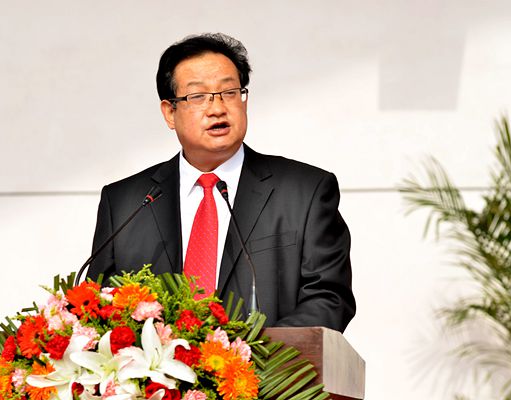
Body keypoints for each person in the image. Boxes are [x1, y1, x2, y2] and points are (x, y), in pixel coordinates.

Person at [87, 33, 355, 332]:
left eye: (229, 92)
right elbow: (98, 307)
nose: (217, 108)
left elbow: (329, 298)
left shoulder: (305, 191)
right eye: (198, 96)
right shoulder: (125, 203)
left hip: (264, 363)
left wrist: (251, 353)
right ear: (170, 112)